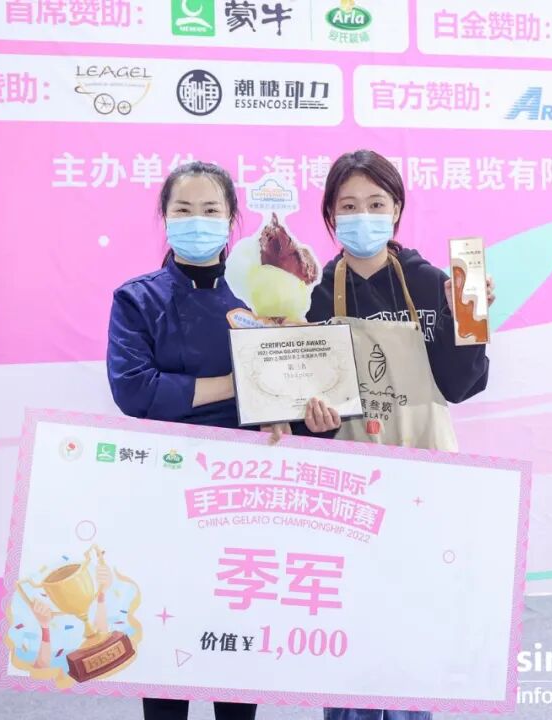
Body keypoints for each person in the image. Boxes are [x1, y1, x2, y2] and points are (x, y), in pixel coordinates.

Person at [106, 160, 338, 720]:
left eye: (211, 210)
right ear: (164, 217)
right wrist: (239, 383)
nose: (197, 221)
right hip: (167, 488)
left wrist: (310, 412)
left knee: (237, 639)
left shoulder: (264, 300)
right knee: (167, 639)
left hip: (245, 492)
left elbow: (293, 394)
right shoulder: (137, 299)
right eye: (183, 210)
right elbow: (135, 391)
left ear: (232, 218)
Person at [307, 149, 495, 720]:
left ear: (396, 210)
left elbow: (461, 386)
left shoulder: (434, 283)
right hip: (347, 484)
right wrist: (311, 421)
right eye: (348, 206)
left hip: (423, 478)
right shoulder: (314, 294)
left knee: (416, 621)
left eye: (375, 203)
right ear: (330, 216)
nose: (362, 216)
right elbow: (301, 398)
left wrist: (472, 325)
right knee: (350, 623)